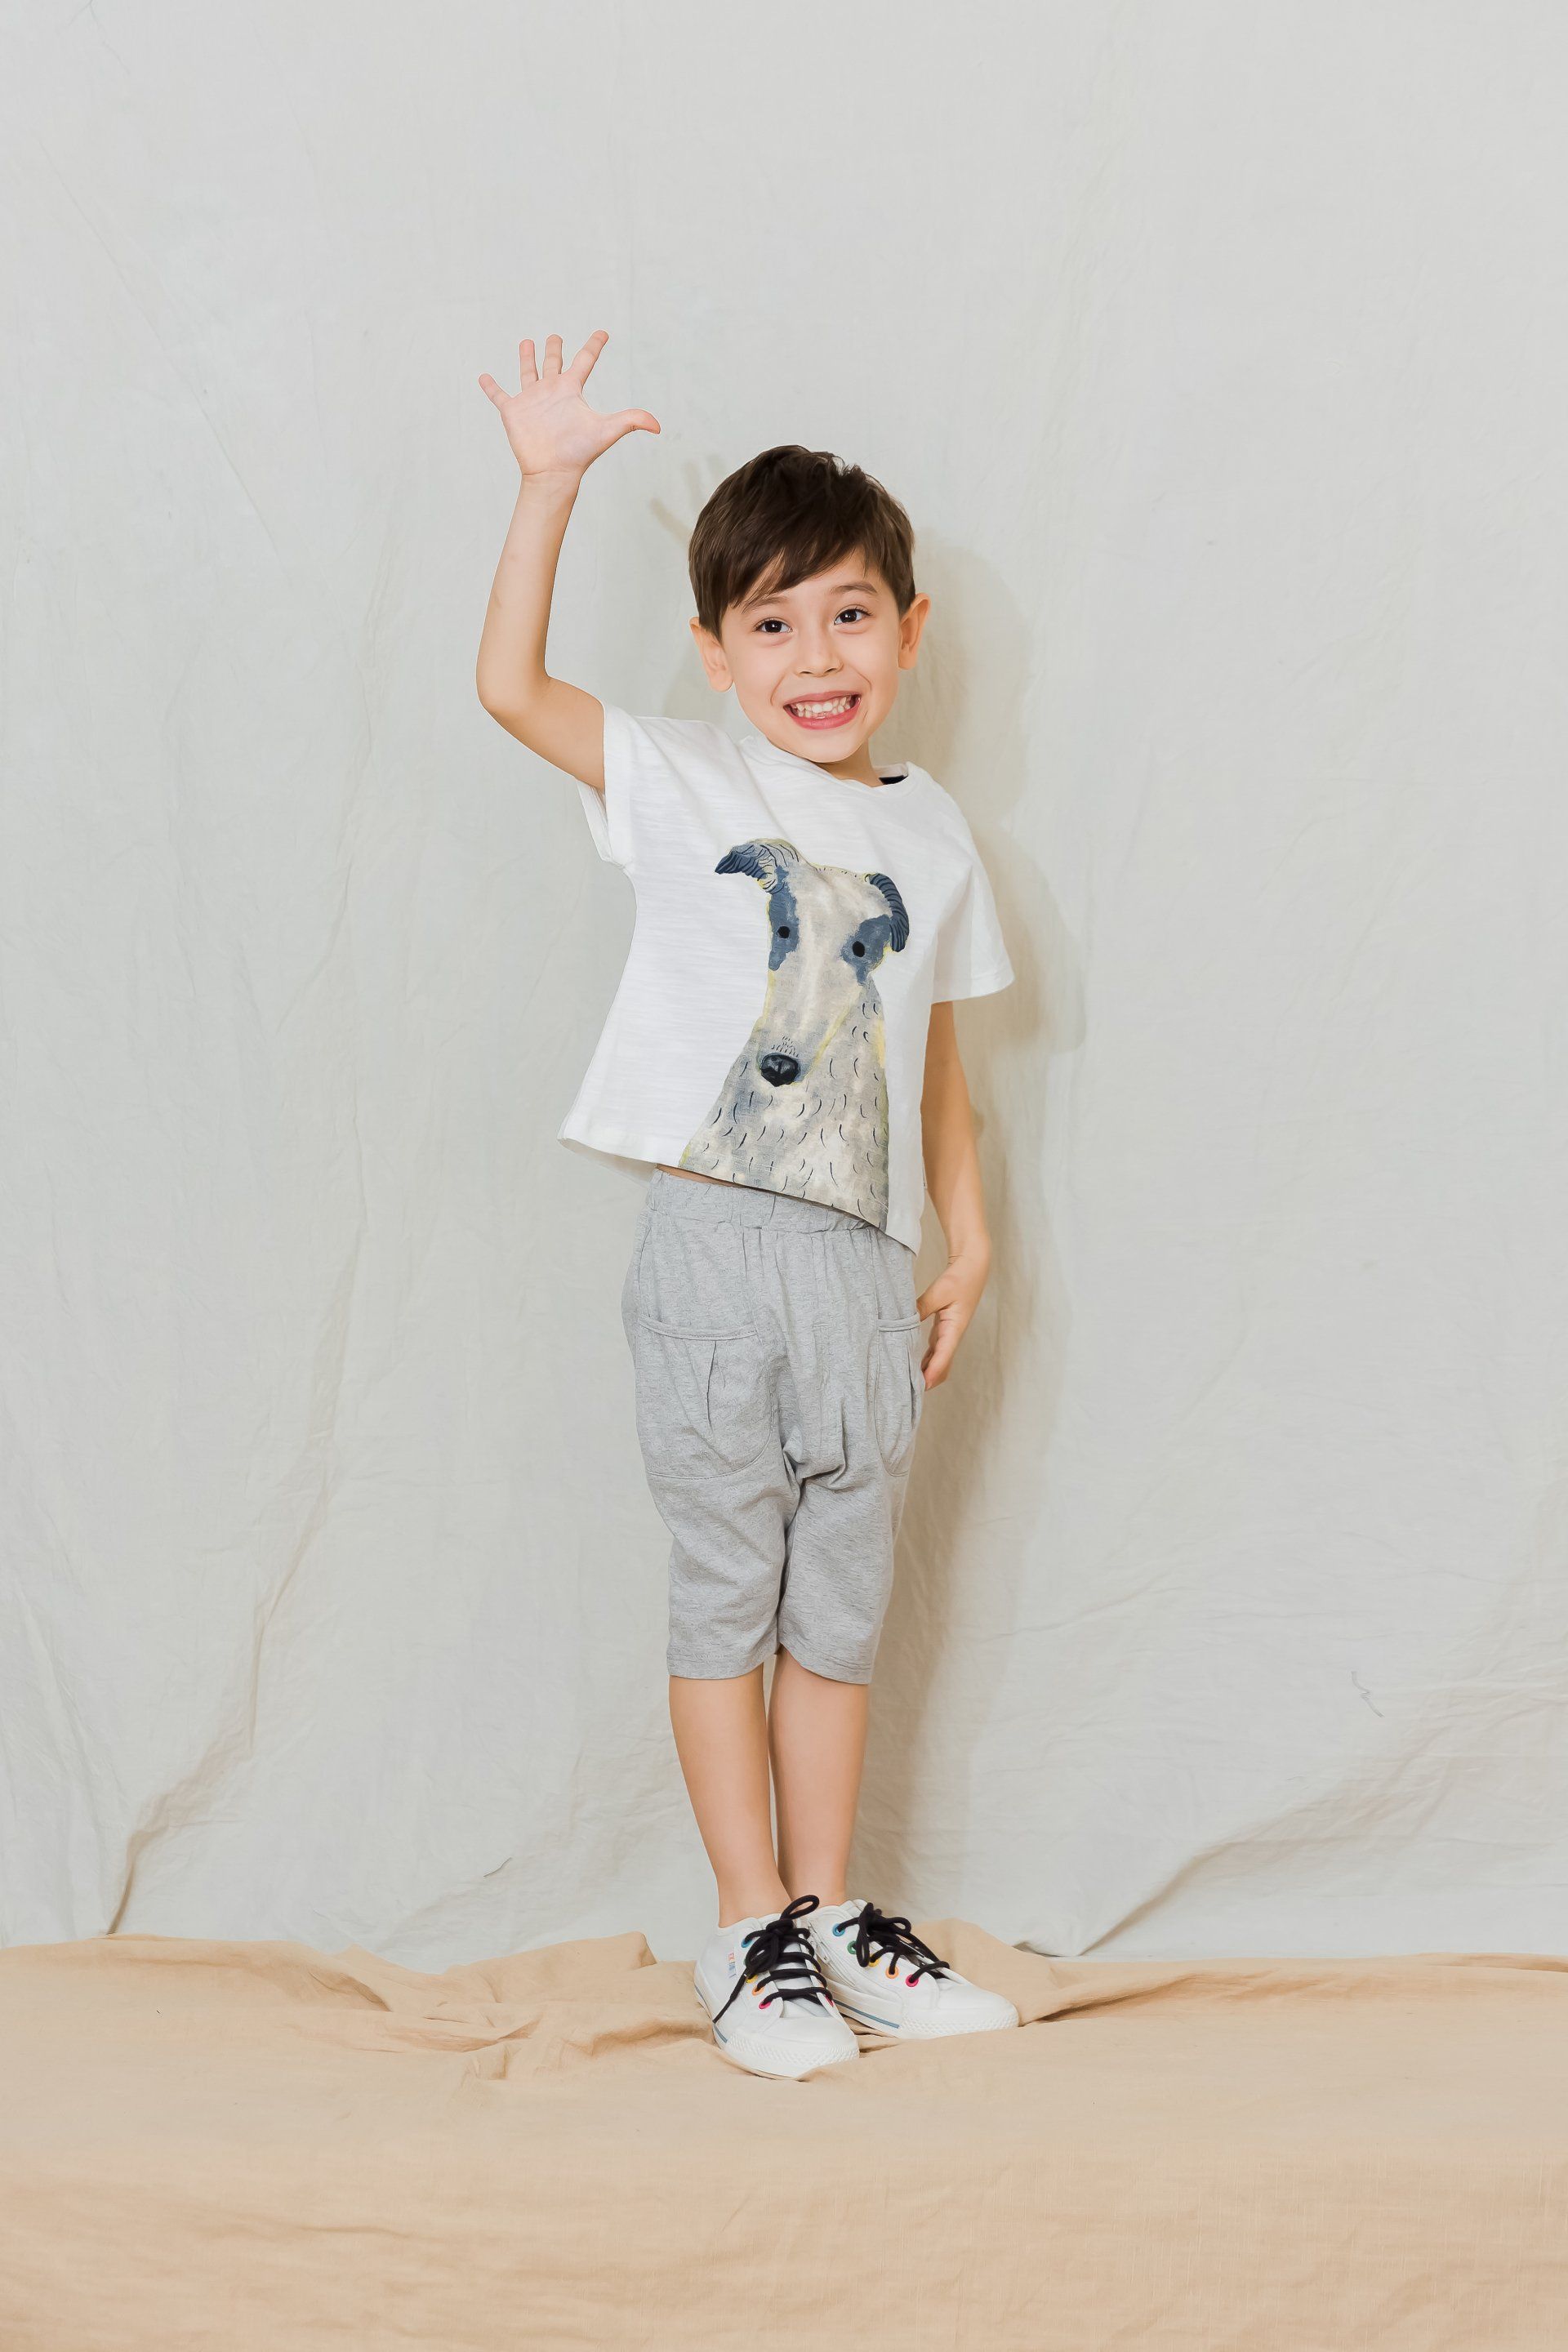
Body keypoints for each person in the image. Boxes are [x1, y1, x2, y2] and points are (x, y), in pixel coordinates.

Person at [476, 329, 1020, 2079]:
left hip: (869, 1273)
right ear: (714, 654)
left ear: (910, 631)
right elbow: (510, 689)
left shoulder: (936, 834)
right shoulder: (684, 779)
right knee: (730, 1592)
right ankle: (748, 1928)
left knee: (838, 1611)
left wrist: (970, 1235)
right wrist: (549, 485)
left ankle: (835, 1912)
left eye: (850, 615)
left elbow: (935, 1054)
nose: (817, 656)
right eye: (771, 625)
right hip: (715, 1251)